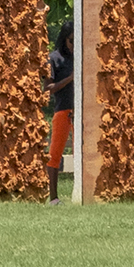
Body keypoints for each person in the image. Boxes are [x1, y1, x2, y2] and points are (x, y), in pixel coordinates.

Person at [45, 27, 75, 201]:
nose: (73, 45)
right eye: (71, 41)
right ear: (64, 39)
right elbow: (48, 88)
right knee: (55, 153)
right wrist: (70, 79)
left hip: (79, 112)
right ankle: (54, 198)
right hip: (63, 109)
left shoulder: (78, 57)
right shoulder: (54, 59)